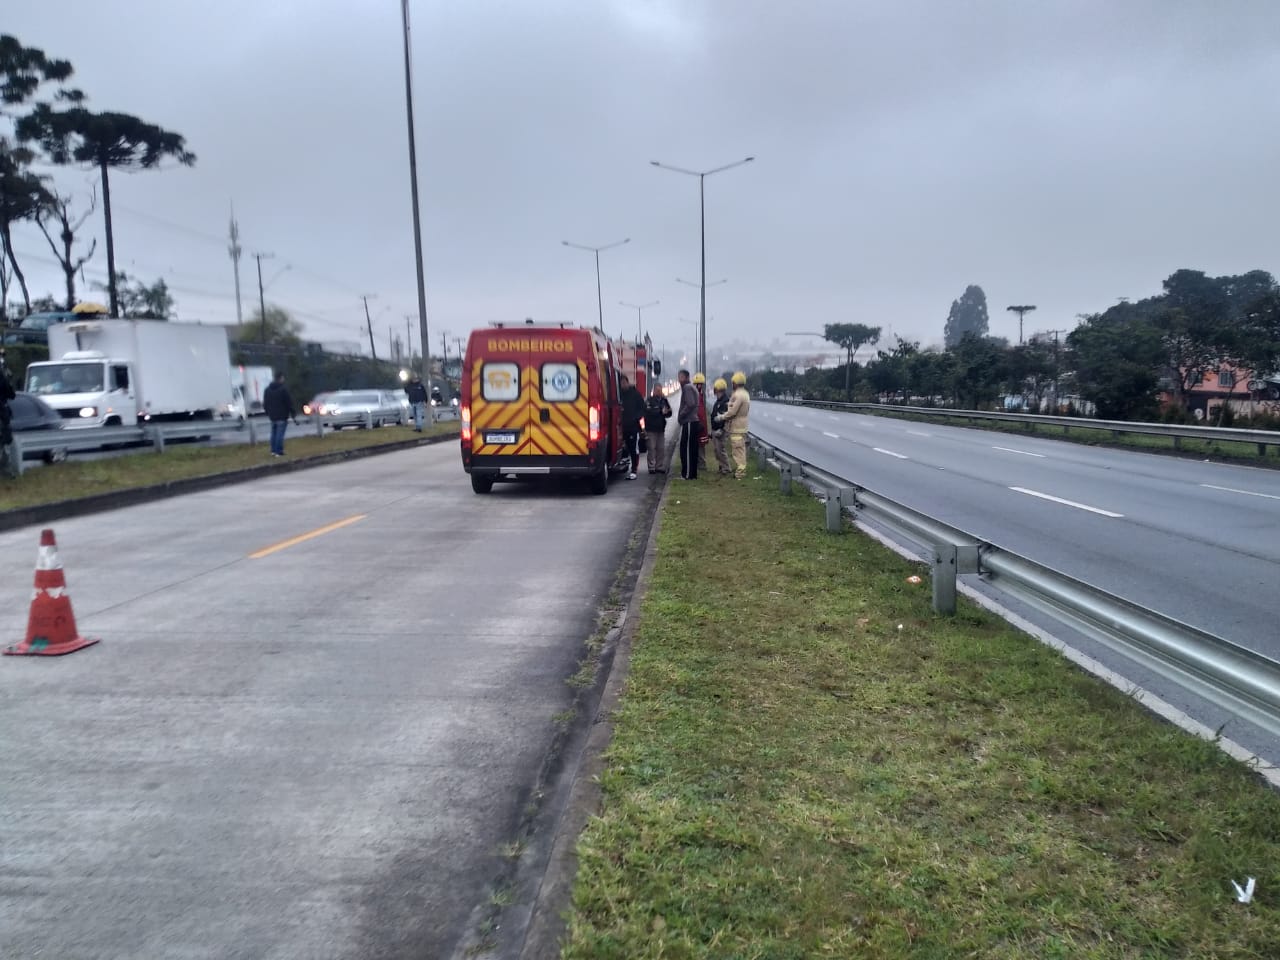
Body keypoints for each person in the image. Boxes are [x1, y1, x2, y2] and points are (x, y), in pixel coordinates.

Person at [721, 371, 752, 479]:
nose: (732, 384)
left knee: (738, 451)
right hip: (743, 426)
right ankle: (740, 471)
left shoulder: (738, 395)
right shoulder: (745, 393)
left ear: (735, 382)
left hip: (737, 427)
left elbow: (733, 412)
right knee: (741, 449)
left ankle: (740, 473)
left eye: (733, 382)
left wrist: (721, 417)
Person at [262, 371, 296, 457]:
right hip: (282, 415)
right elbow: (288, 402)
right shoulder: (283, 389)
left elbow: (265, 403)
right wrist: (292, 412)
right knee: (279, 434)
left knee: (273, 433)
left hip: (272, 416)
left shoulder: (267, 390)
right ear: (281, 378)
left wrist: (268, 412)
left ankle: (273, 451)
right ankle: (279, 451)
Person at [618, 374, 645, 480]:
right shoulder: (618, 395)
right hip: (621, 427)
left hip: (633, 427)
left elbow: (642, 409)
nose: (623, 385)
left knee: (634, 449)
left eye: (624, 382)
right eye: (621, 383)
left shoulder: (635, 394)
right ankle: (624, 464)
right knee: (623, 448)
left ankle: (634, 470)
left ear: (627, 382)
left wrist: (636, 419)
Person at [676, 369, 700, 480]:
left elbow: (690, 404)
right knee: (691, 449)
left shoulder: (687, 388)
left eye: (681, 377)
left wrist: (681, 414)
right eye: (678, 377)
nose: (679, 379)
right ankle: (692, 474)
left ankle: (687, 475)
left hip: (689, 421)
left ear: (686, 378)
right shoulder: (689, 388)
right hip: (691, 421)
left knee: (687, 449)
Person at [644, 383, 672, 474]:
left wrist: (667, 412)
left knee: (661, 448)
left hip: (660, 428)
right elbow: (649, 412)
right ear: (654, 391)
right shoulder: (649, 401)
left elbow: (669, 412)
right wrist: (660, 411)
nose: (659, 392)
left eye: (660, 390)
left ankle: (659, 466)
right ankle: (651, 466)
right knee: (651, 448)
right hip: (651, 428)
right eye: (657, 390)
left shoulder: (664, 400)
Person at [708, 378, 732, 475]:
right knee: (716, 450)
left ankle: (726, 468)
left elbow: (725, 418)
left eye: (716, 390)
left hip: (720, 430)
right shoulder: (718, 401)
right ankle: (721, 467)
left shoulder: (725, 402)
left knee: (720, 449)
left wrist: (721, 429)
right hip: (715, 429)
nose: (715, 392)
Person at [692, 372, 710, 473]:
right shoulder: (696, 395)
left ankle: (701, 464)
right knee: (698, 446)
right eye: (700, 384)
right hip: (698, 424)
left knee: (700, 445)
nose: (701, 386)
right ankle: (700, 464)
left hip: (701, 424)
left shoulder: (700, 394)